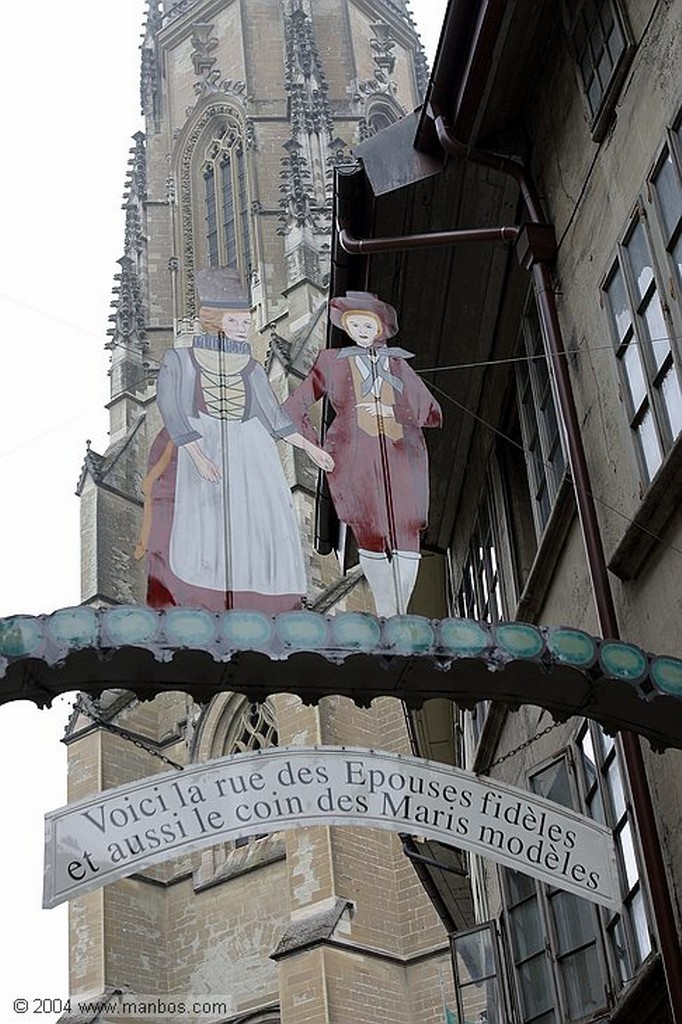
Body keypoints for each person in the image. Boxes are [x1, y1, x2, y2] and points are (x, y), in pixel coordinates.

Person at [135, 267, 333, 612]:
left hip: (249, 449)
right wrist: (198, 456)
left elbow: (275, 418)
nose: (245, 327)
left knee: (256, 522)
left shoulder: (253, 367)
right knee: (205, 524)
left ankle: (257, 596)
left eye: (247, 320)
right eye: (237, 321)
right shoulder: (180, 359)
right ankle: (205, 599)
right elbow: (173, 407)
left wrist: (311, 448)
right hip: (202, 442)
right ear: (216, 321)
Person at [283, 290, 442, 616]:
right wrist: (312, 448)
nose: (361, 329)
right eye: (353, 324)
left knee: (406, 530)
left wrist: (403, 409)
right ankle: (387, 611)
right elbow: (291, 410)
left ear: (380, 327)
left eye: (367, 323)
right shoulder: (330, 361)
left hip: (402, 454)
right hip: (353, 456)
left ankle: (399, 612)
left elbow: (432, 413)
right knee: (369, 531)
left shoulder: (397, 363)